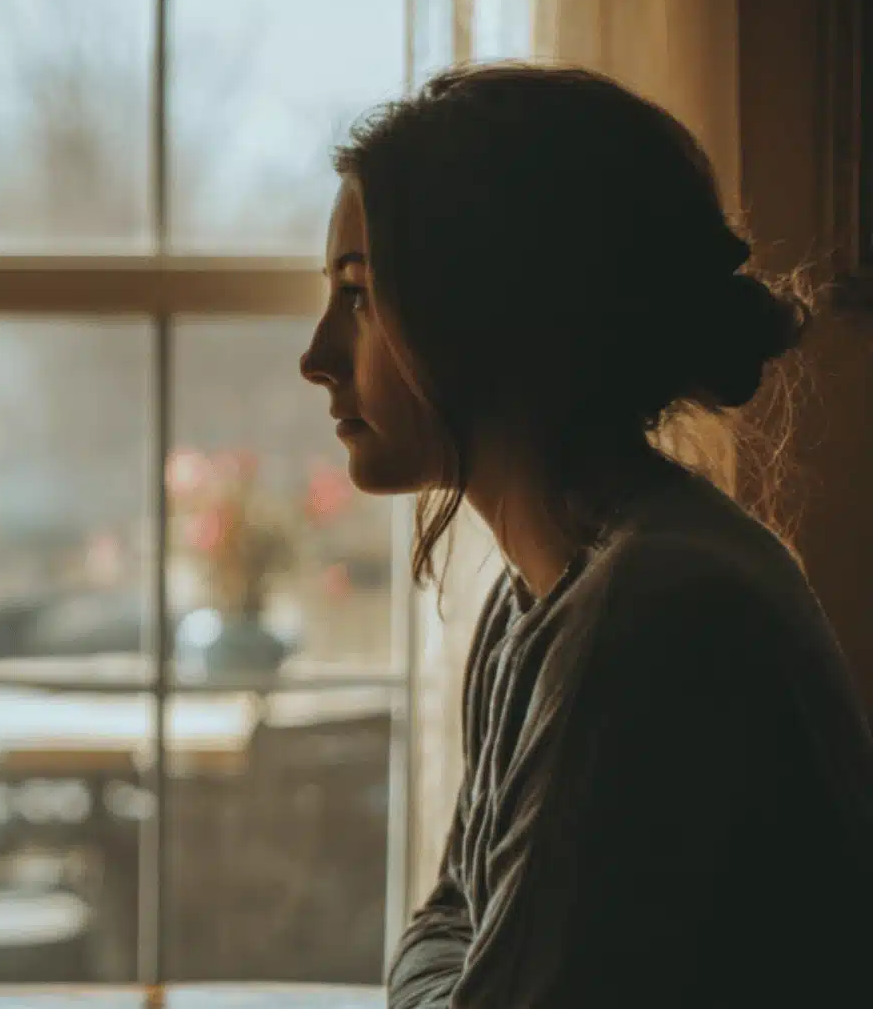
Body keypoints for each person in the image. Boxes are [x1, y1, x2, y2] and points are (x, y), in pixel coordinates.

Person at [300, 62, 873, 1007]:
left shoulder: (653, 610)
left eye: (360, 294)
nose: (317, 356)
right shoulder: (538, 593)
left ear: (488, 308)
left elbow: (457, 955)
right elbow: (448, 920)